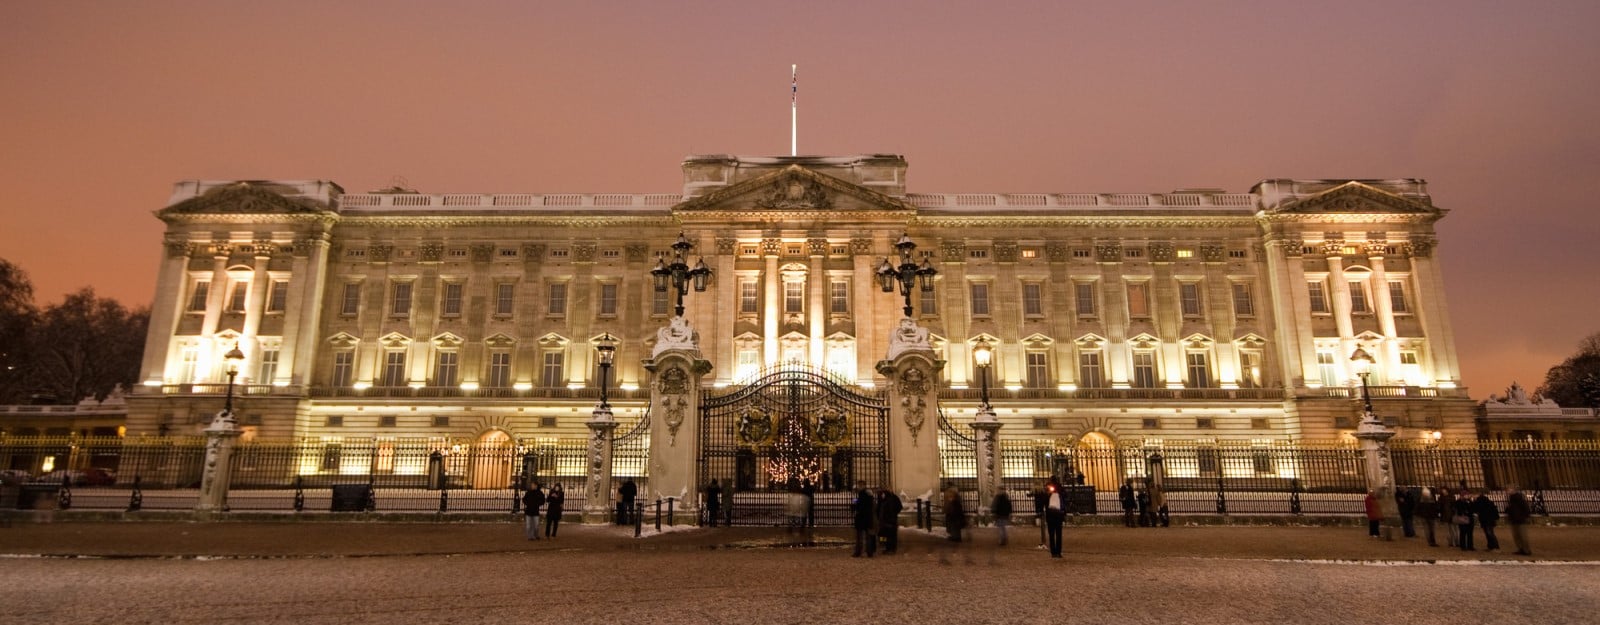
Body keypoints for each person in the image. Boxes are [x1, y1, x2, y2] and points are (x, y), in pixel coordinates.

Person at [1505, 485, 1533, 556]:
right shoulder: (1511, 499)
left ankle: (1526, 550)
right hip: (1514, 519)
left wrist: (1526, 517)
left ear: (1514, 490)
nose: (1508, 491)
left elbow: (1525, 508)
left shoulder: (1519, 498)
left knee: (1522, 536)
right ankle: (1521, 549)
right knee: (1516, 536)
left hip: (1520, 519)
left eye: (1509, 489)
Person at [852, 481, 877, 557]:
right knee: (868, 536)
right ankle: (869, 552)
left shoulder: (862, 494)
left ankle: (858, 551)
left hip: (861, 518)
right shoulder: (869, 495)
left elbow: (860, 506)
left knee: (860, 537)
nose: (858, 487)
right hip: (868, 518)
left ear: (862, 486)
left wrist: (854, 505)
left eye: (859, 486)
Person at [1044, 477, 1065, 558]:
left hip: (1051, 515)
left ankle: (1054, 552)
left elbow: (1044, 501)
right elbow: (1065, 497)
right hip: (1058, 515)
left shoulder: (1049, 488)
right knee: (1058, 534)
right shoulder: (1060, 488)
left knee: (1052, 534)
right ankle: (1058, 552)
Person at [877, 488, 902, 554]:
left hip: (890, 520)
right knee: (887, 535)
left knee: (891, 535)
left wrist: (893, 514)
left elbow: (898, 507)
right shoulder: (884, 500)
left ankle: (892, 549)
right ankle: (888, 548)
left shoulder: (892, 499)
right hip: (887, 520)